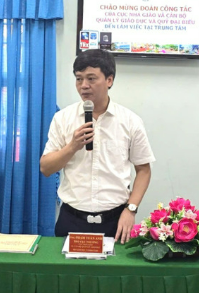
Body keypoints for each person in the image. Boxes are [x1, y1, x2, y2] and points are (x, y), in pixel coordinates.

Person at [40, 49, 154, 243]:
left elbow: (143, 170)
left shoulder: (130, 121)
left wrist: (131, 209)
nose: (84, 85)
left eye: (91, 79)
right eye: (79, 79)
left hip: (116, 221)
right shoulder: (62, 118)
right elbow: (46, 168)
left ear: (109, 80)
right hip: (71, 219)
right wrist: (72, 146)